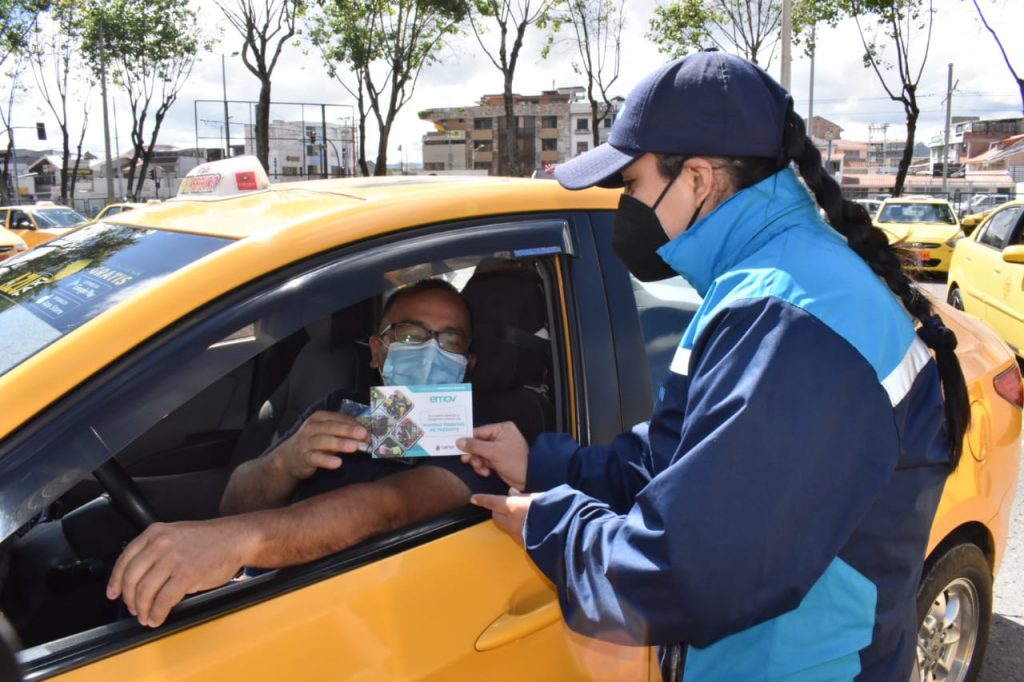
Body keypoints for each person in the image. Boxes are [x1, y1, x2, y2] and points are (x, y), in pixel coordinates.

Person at [460, 50, 969, 681]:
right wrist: (541, 463)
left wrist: (551, 523)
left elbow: (685, 571)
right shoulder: (770, 284)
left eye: (632, 184)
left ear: (698, 178)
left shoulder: (792, 320)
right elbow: (677, 454)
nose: (628, 207)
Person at [107, 279, 504, 628]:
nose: (430, 353)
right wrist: (284, 463)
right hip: (275, 584)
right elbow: (235, 504)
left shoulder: (480, 440)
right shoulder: (340, 406)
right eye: (411, 335)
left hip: (354, 609)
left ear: (467, 363)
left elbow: (389, 507)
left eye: (450, 340)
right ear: (377, 352)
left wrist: (239, 542)